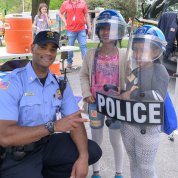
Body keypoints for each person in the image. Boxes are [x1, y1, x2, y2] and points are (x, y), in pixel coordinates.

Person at [0, 30, 102, 178]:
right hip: (18, 152)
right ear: (32, 48)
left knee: (92, 150)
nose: (48, 52)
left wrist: (83, 157)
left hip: (46, 145)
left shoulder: (59, 83)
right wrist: (53, 127)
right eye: (43, 47)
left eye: (53, 49)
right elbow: (5, 137)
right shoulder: (13, 83)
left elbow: (76, 120)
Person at [80, 10, 127, 178]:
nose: (106, 32)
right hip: (95, 102)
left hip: (116, 105)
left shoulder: (124, 55)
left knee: (116, 139)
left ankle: (119, 173)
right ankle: (96, 172)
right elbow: (84, 75)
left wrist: (126, 91)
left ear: (118, 31)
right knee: (96, 139)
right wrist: (86, 93)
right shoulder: (91, 54)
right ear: (98, 31)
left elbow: (131, 76)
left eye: (111, 28)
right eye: (103, 28)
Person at [120, 25, 169, 178]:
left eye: (144, 49)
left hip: (148, 126)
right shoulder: (135, 71)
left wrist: (134, 94)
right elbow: (127, 89)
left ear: (155, 51)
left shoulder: (159, 71)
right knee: (133, 162)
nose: (137, 54)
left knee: (146, 167)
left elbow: (159, 96)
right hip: (129, 124)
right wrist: (120, 93)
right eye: (135, 49)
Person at [59, 0, 92, 69]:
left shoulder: (83, 2)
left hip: (81, 29)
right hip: (70, 29)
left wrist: (89, 27)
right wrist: (65, 22)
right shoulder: (66, 3)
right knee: (70, 47)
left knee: (83, 46)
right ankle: (69, 62)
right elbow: (60, 13)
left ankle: (85, 64)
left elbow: (86, 15)